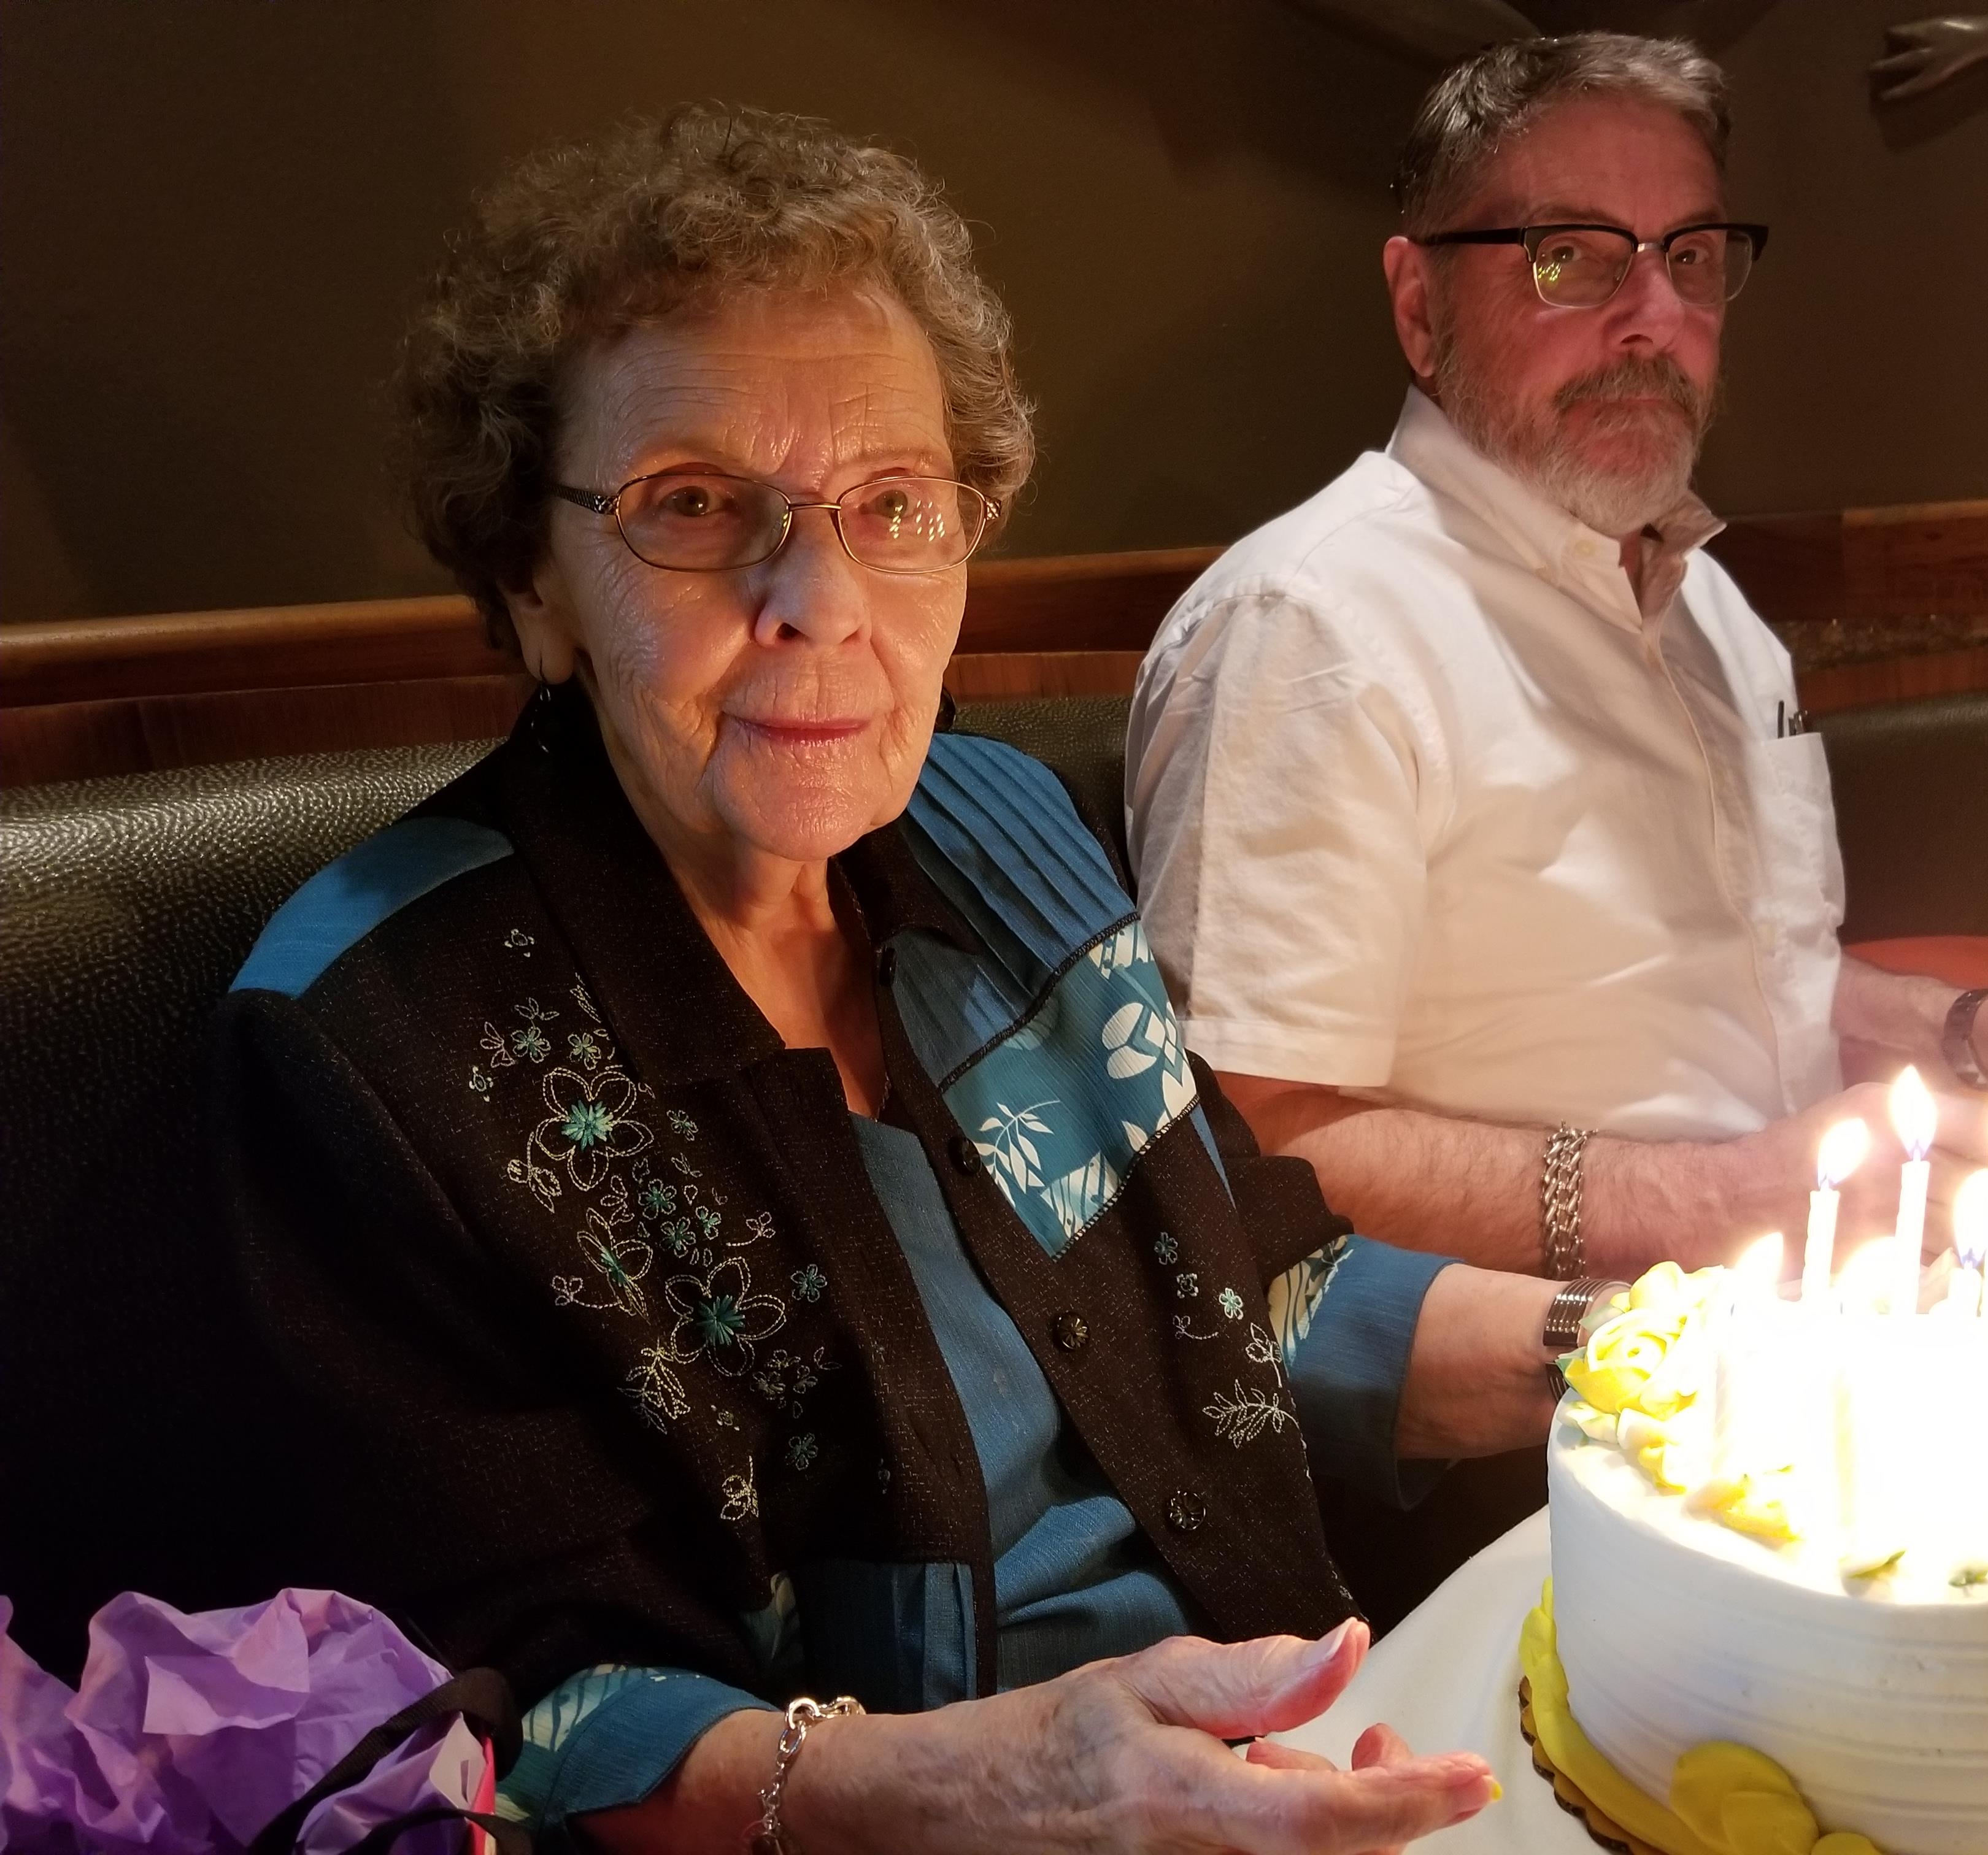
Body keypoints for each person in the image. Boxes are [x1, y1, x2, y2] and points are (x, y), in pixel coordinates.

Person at [207, 106, 1553, 1854]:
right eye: (694, 507)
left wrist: (1645, 1358)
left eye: (894, 504)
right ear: (534, 580)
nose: (821, 598)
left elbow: (1253, 1286)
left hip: (1303, 1751)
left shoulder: (999, 832)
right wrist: (997, 1784)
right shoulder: (379, 1041)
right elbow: (509, 1704)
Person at [1126, 34, 1988, 1285]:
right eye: (1569, 257)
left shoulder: (1711, 612)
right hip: (1557, 1400)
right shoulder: (1313, 627)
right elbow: (1248, 1147)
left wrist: (1973, 1029)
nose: (1659, 318)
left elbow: (1755, 980)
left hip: (1824, 1300)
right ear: (1420, 306)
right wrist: (1717, 1201)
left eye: (1690, 256)